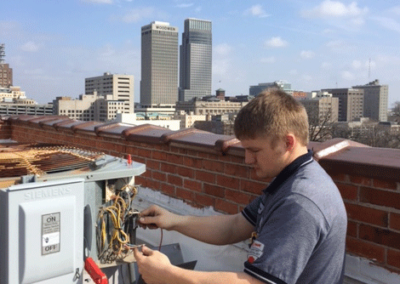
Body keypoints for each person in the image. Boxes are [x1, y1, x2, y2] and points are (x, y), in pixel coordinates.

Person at [133, 89, 347, 284]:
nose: (247, 160)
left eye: (254, 151)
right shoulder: (290, 181)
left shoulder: (300, 201)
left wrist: (169, 275)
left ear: (287, 143)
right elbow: (235, 227)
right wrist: (173, 221)